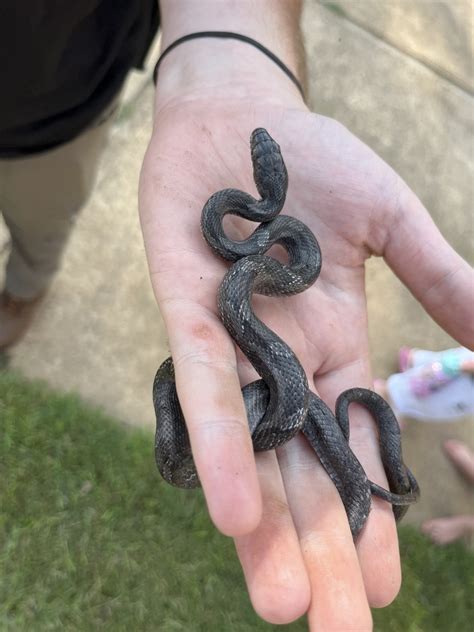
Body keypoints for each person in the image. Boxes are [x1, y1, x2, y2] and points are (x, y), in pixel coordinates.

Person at [1, 1, 473, 629]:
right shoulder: (246, 243)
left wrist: (236, 62)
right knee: (225, 391)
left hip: (55, 111)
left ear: (264, 185)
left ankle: (361, 488)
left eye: (264, 155)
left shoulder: (257, 250)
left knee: (208, 396)